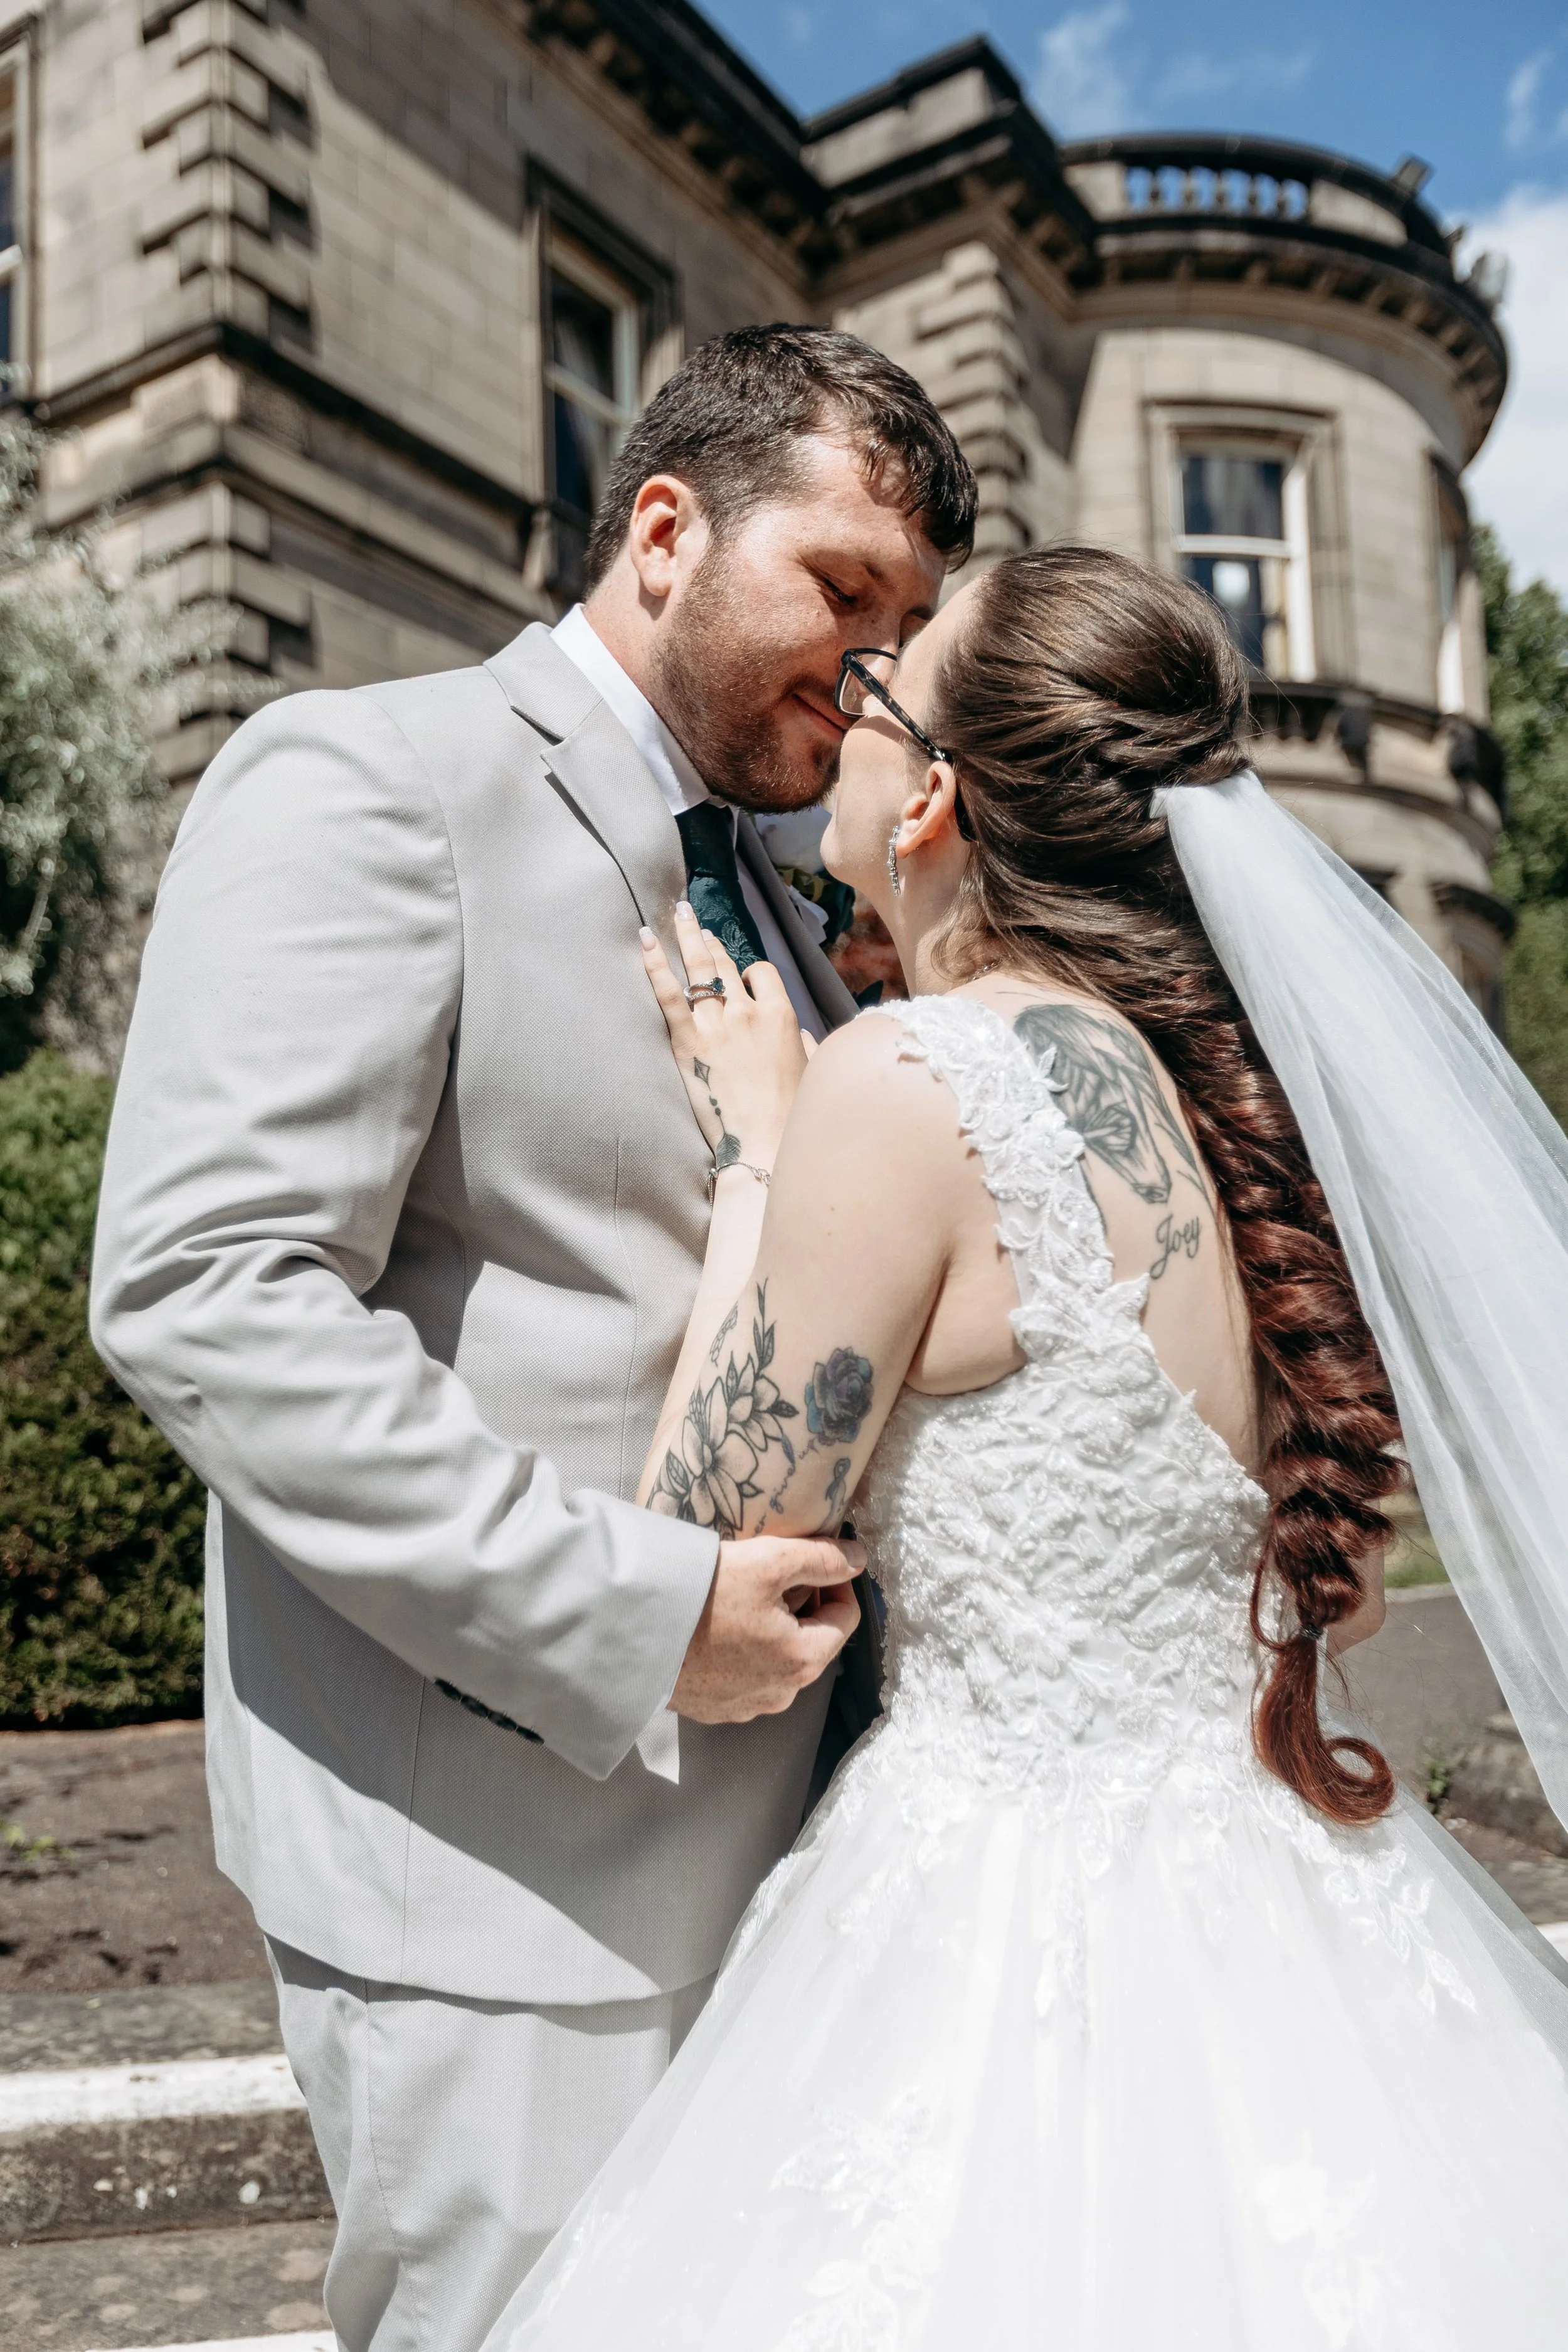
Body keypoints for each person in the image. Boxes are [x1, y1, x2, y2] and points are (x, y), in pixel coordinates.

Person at [483, 545, 1568, 2349]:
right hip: (1298, 1888)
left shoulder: (909, 1083)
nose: (846, 690)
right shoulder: (1233, 1097)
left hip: (1002, 1933)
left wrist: (762, 1151)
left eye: (886, 673)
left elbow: (700, 1538)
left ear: (932, 792)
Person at [88, 326, 976, 2351]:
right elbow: (206, 1288)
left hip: (822, 1875)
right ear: (664, 528)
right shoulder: (371, 778)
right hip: (500, 1890)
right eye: (840, 590)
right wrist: (640, 1609)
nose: (873, 663)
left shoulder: (793, 882)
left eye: (908, 621)